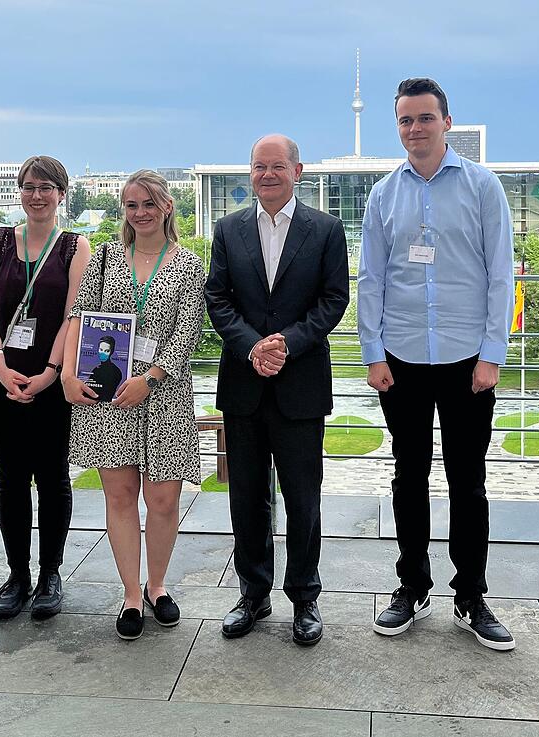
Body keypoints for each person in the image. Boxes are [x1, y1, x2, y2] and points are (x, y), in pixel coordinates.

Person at [358, 78, 516, 651]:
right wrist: (371, 353)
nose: (415, 129)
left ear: (446, 122)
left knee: (468, 484)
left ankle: (471, 595)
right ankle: (412, 586)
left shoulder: (482, 186)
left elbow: (501, 274)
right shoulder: (383, 194)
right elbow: (371, 279)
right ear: (397, 126)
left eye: (425, 118)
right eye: (405, 120)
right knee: (409, 478)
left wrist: (493, 356)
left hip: (467, 361)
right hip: (401, 360)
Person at [205, 134, 349, 647]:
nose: (267, 175)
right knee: (246, 498)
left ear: (298, 170)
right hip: (244, 386)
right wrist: (252, 347)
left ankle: (305, 599)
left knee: (303, 500)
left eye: (277, 167)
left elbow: (335, 301)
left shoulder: (327, 230)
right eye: (258, 167)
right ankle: (253, 593)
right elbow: (216, 298)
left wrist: (285, 344)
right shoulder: (228, 229)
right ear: (250, 174)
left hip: (301, 387)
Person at [62, 169, 204, 641]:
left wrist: (151, 377)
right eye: (130, 205)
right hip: (109, 395)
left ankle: (157, 586)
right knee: (120, 497)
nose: (139, 213)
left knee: (163, 499)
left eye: (148, 203)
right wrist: (66, 373)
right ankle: (129, 594)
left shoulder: (187, 264)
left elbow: (187, 333)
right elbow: (79, 318)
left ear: (166, 206)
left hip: (164, 396)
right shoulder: (104, 257)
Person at [0, 155, 91, 619]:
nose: (36, 195)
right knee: (9, 479)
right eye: (28, 186)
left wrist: (49, 373)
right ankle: (17, 576)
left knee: (52, 477)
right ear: (19, 191)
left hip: (52, 380)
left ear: (61, 193)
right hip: (1, 379)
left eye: (46, 187)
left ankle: (50, 575)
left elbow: (73, 314)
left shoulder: (73, 247)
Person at [86, 335, 123, 401]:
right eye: (101, 350)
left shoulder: (115, 371)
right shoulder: (96, 370)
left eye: (106, 351)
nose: (103, 353)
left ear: (111, 352)